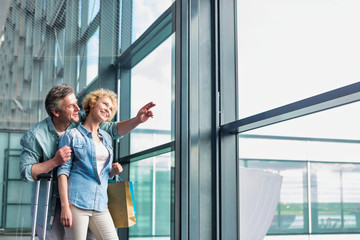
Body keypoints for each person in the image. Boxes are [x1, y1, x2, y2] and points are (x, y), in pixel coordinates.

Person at [19, 84, 155, 239]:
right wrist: (55, 161)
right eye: (71, 106)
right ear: (56, 112)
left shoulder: (80, 119)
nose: (77, 108)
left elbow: (112, 129)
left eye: (76, 103)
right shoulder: (36, 136)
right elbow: (26, 171)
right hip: (51, 202)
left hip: (88, 198)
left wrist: (137, 120)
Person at [57, 89, 139, 239]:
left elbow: (102, 173)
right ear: (93, 103)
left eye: (111, 109)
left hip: (101, 203)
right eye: (105, 104)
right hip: (76, 202)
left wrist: (112, 172)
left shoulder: (107, 137)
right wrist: (65, 207)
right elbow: (62, 172)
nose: (108, 109)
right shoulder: (72, 135)